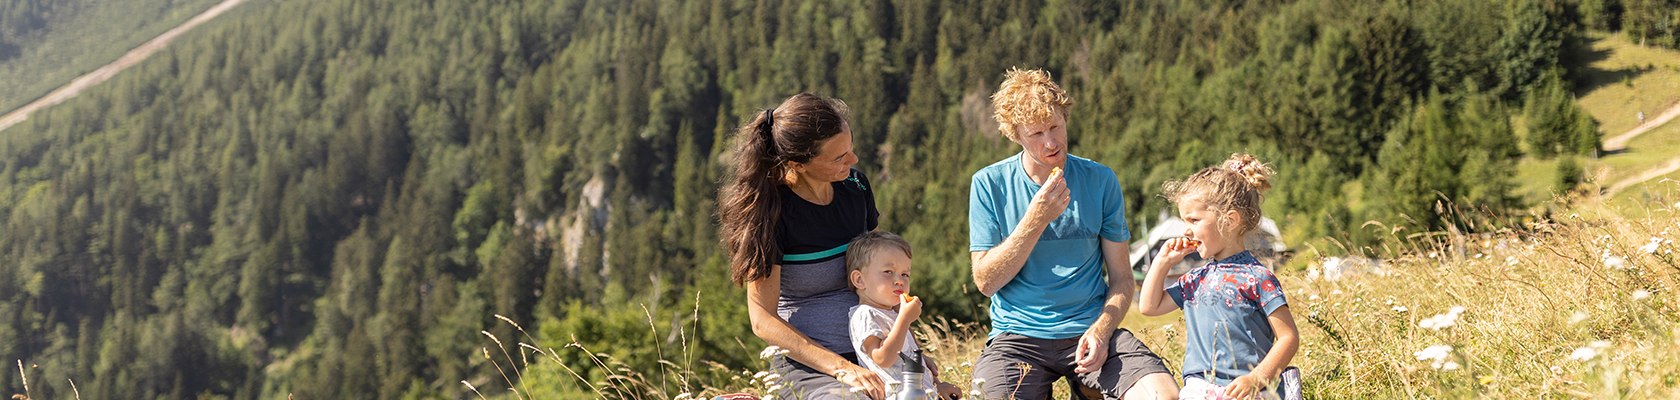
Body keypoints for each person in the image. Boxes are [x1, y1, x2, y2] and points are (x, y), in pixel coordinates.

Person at [968, 68, 1178, 399]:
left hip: (1091, 329)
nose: (1051, 142)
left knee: (1161, 394)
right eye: (1036, 133)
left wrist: (1101, 330)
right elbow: (985, 282)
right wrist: (1035, 219)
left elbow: (1123, 279)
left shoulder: (1100, 179)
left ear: (1066, 117)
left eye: (1055, 126)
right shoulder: (989, 184)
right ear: (1015, 135)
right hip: (1017, 339)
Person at [719, 93, 886, 399]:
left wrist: (909, 350)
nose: (853, 160)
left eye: (850, 149)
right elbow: (762, 320)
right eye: (839, 157)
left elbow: (885, 272)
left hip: (873, 345)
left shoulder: (856, 187)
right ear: (798, 163)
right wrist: (841, 368)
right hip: (809, 363)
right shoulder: (769, 214)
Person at [1137, 154, 1301, 400]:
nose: (1186, 230)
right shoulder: (1195, 279)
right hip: (1199, 389)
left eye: (1194, 220)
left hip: (1249, 390)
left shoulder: (1257, 277)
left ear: (1230, 220)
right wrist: (1161, 262)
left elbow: (1288, 337)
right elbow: (1149, 306)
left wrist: (1256, 378)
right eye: (1185, 220)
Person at [845, 231, 963, 399]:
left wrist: (937, 385)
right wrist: (904, 319)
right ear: (859, 280)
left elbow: (909, 362)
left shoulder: (892, 314)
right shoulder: (865, 315)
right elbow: (883, 358)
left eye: (905, 274)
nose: (899, 280)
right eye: (888, 272)